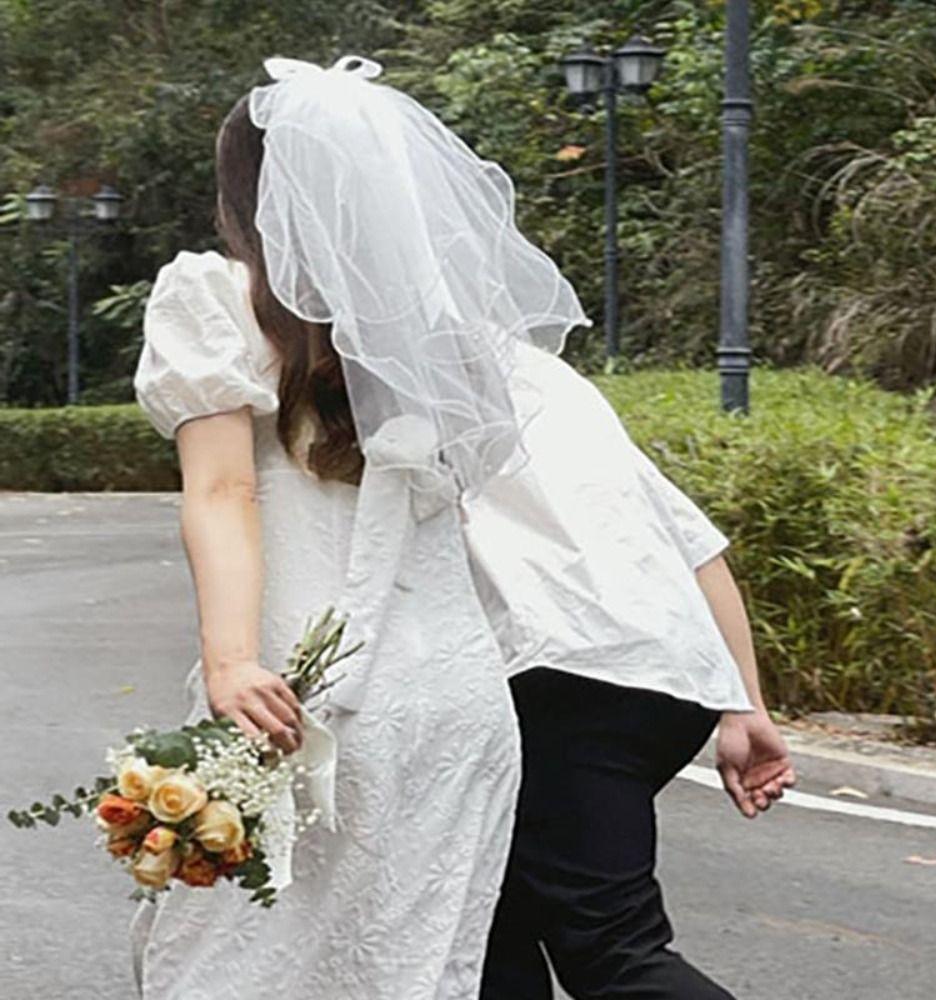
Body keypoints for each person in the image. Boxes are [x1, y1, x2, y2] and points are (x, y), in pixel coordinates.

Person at [128, 54, 593, 1000]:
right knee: (412, 968)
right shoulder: (438, 339)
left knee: (233, 965)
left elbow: (224, 494)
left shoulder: (214, 298)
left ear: (242, 194)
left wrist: (229, 665)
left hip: (303, 695)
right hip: (455, 705)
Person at [461, 341, 797, 999]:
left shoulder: (409, 379)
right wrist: (745, 707)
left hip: (564, 676)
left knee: (612, 952)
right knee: (485, 931)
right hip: (665, 678)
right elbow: (695, 545)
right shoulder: (548, 377)